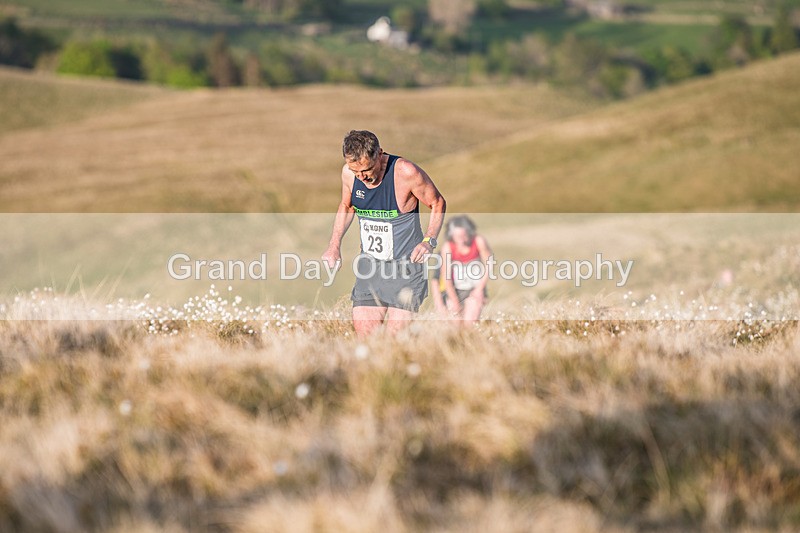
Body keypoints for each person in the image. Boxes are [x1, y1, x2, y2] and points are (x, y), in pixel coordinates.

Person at [322, 130, 446, 337]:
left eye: (367, 170)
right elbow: (347, 206)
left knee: (396, 340)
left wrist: (428, 241)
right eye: (356, 172)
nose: (362, 177)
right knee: (366, 338)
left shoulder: (405, 172)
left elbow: (437, 202)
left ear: (379, 154)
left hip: (406, 270)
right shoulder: (348, 174)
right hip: (370, 268)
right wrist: (334, 246)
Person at [440, 215, 492, 324]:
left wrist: (479, 289)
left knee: (470, 323)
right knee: (456, 325)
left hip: (475, 287)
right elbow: (446, 277)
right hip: (455, 289)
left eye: (464, 235)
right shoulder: (448, 247)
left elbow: (489, 265)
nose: (462, 240)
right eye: (458, 236)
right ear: (451, 235)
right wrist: (454, 300)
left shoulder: (478, 241)